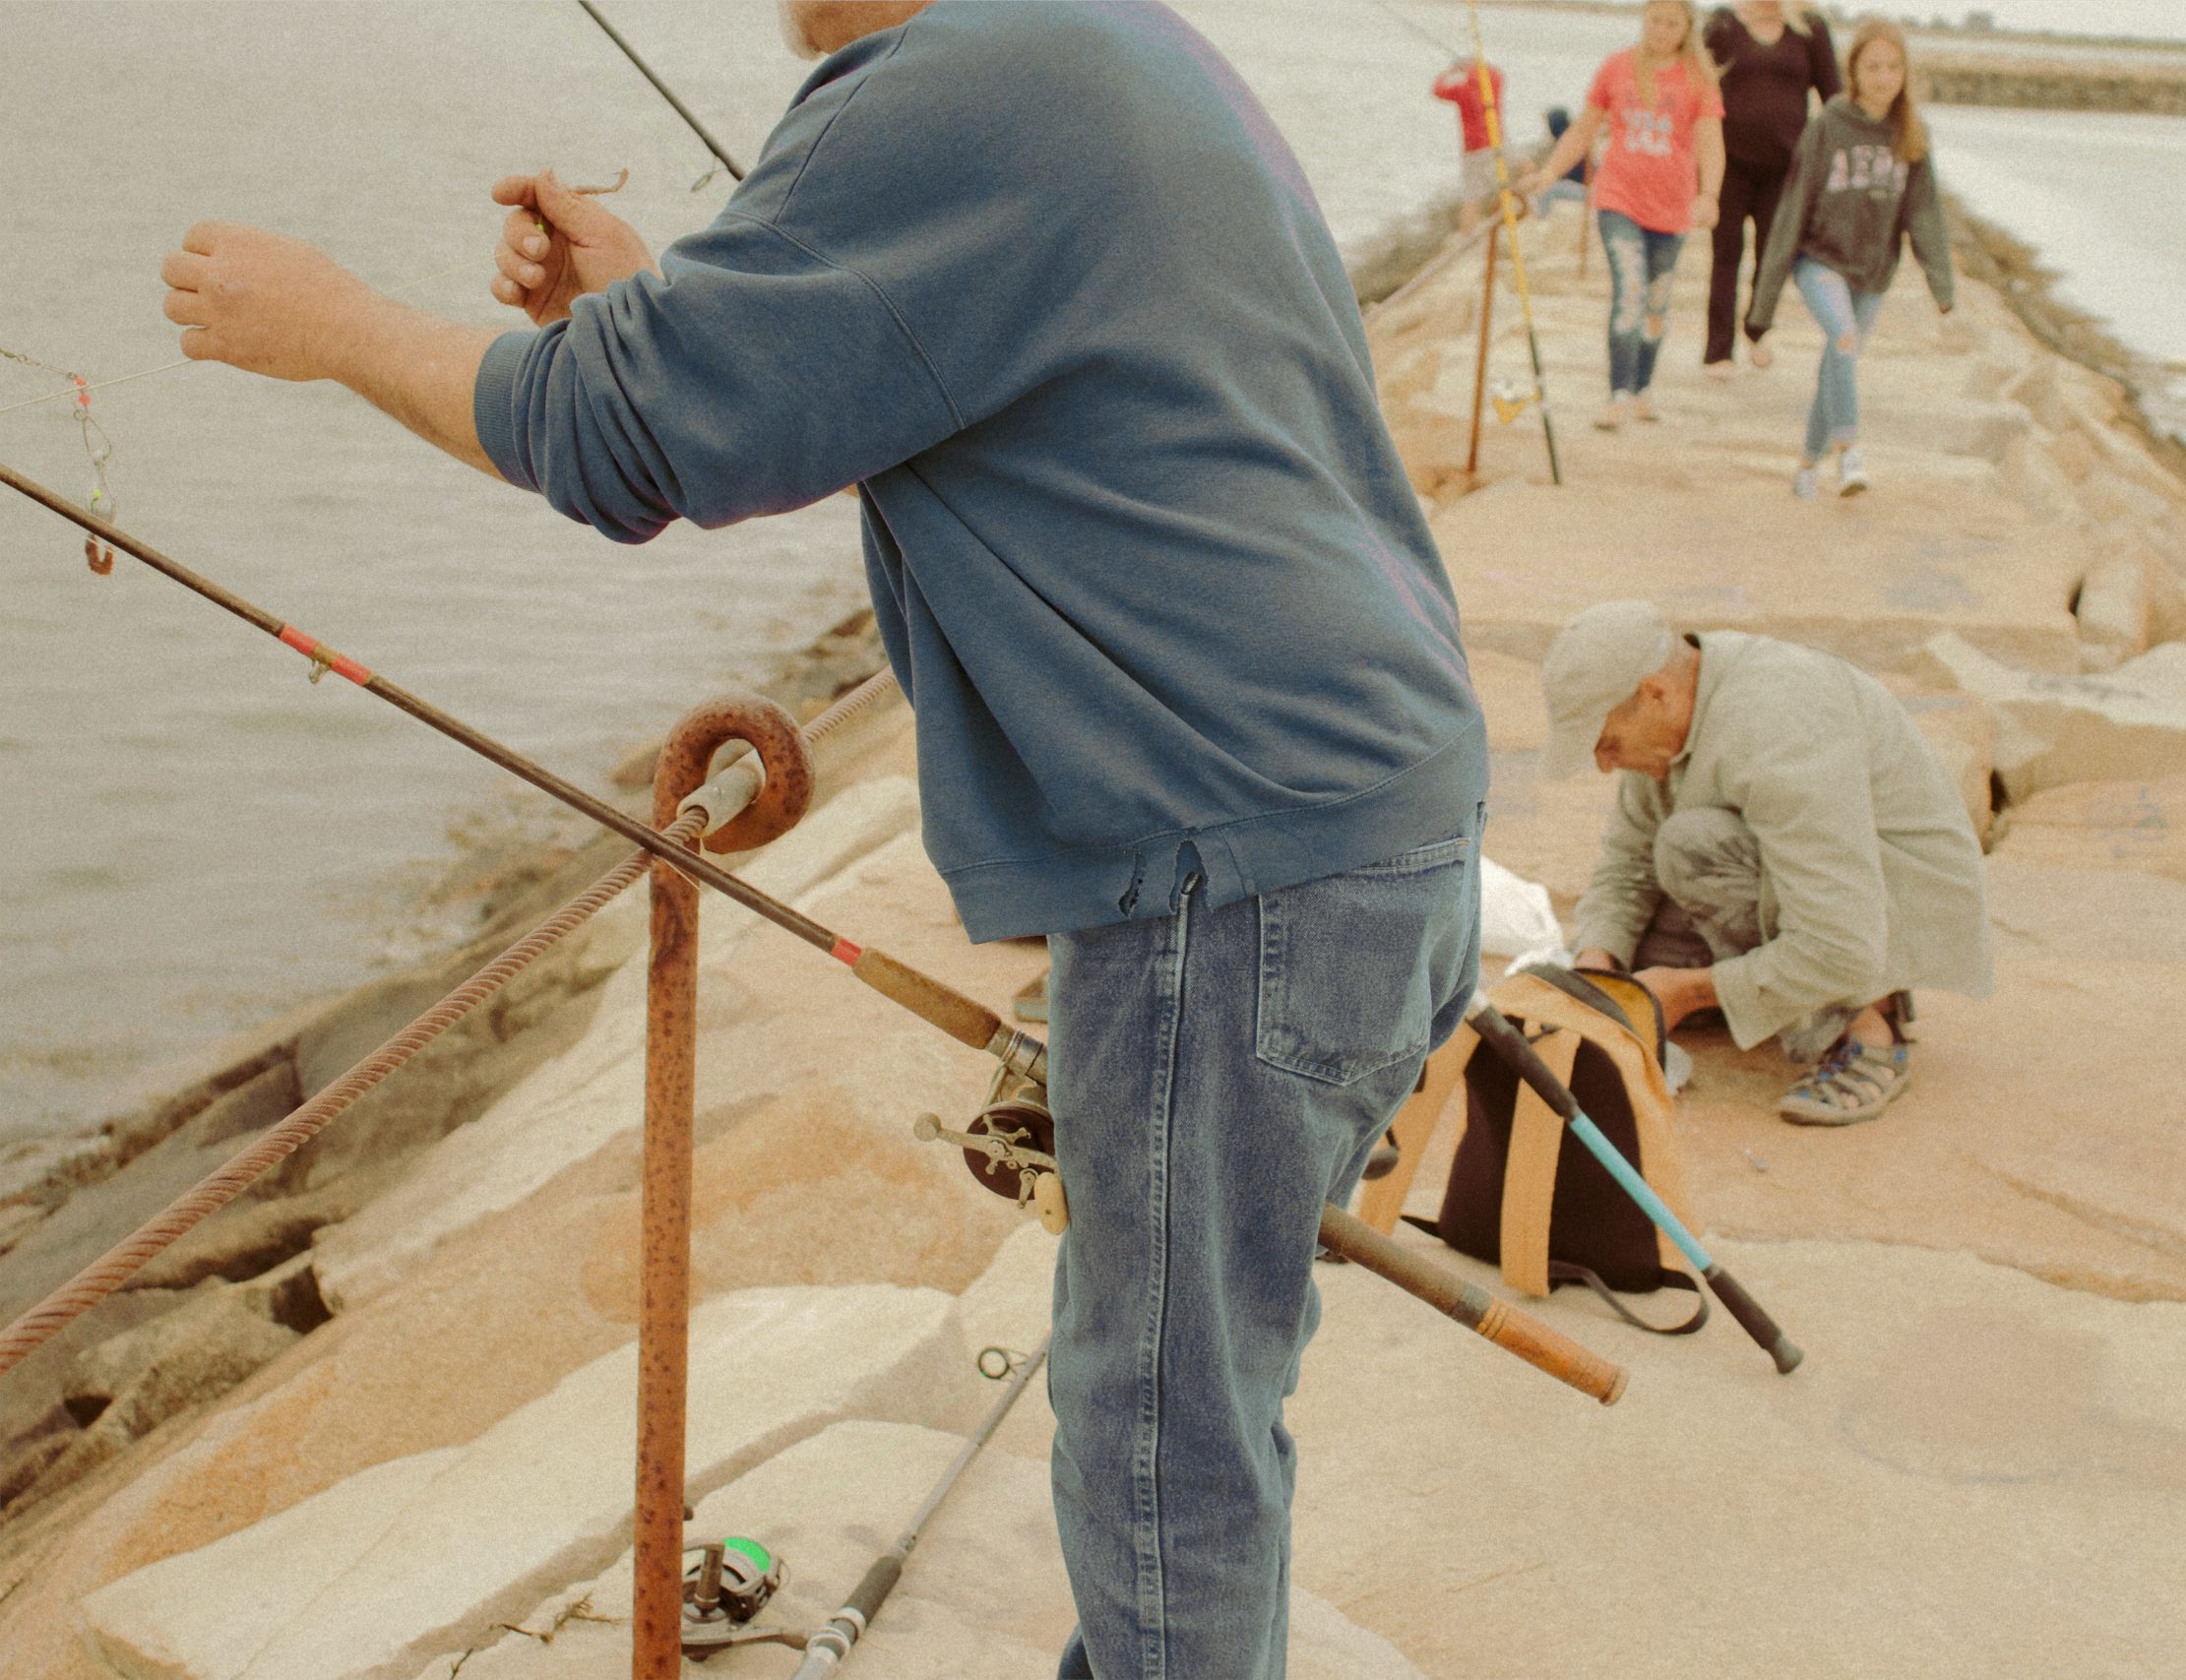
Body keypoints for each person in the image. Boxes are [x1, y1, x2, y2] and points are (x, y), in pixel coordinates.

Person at [157, 5, 1488, 1676]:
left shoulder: (956, 86)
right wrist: (659, 300)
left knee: (1165, 1441)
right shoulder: (1087, 44)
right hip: (1364, 811)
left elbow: (611, 440)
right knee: (1185, 1391)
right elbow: (867, 371)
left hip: (1240, 861)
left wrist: (332, 324)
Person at [1539, 601, 1990, 1125]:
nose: (1603, 765)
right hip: (1792, 879)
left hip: (1884, 910)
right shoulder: (1673, 710)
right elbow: (1626, 863)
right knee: (1627, 979)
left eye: (1608, 743)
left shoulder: (1775, 722)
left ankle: (1866, 1024)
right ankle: (1752, 994)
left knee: (1691, 848)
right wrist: (1599, 966)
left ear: (1654, 694)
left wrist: (1688, 992)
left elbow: (1842, 942)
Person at [1745, 15, 1956, 499]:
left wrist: (1941, 284)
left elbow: (1924, 213)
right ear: (1854, 70)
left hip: (1873, 272)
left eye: (1893, 67)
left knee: (1837, 364)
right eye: (1873, 67)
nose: (1884, 77)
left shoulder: (1911, 133)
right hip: (1820, 260)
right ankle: (1850, 452)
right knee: (1842, 337)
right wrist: (1762, 309)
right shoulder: (1828, 126)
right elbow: (1792, 211)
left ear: (1905, 74)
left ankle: (1805, 466)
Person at [1515, 0, 1725, 431]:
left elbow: (1710, 144)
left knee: (1656, 303)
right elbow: (1583, 129)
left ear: (1686, 28)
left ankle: (1642, 388)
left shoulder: (1699, 80)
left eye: (1672, 23)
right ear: (1644, 20)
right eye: (1655, 20)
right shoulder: (1617, 67)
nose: (1662, 30)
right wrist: (1550, 174)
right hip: (1619, 198)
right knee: (1629, 291)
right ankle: (1616, 394)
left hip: (1672, 208)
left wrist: (1710, 195)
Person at [1700, 1, 1840, 378]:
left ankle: (1757, 329)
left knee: (1772, 255)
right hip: (1729, 162)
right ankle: (1718, 351)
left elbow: (1834, 98)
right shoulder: (1724, 24)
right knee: (1726, 255)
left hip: (1786, 167)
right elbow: (1695, 85)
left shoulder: (1810, 28)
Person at [1432, 56, 1507, 235]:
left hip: (1474, 148)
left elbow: (1437, 90)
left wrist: (1450, 71)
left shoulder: (1462, 89)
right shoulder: (1493, 83)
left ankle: (1467, 235)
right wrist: (1479, 65)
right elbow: (1497, 72)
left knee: (1471, 195)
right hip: (1496, 141)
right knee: (1502, 181)